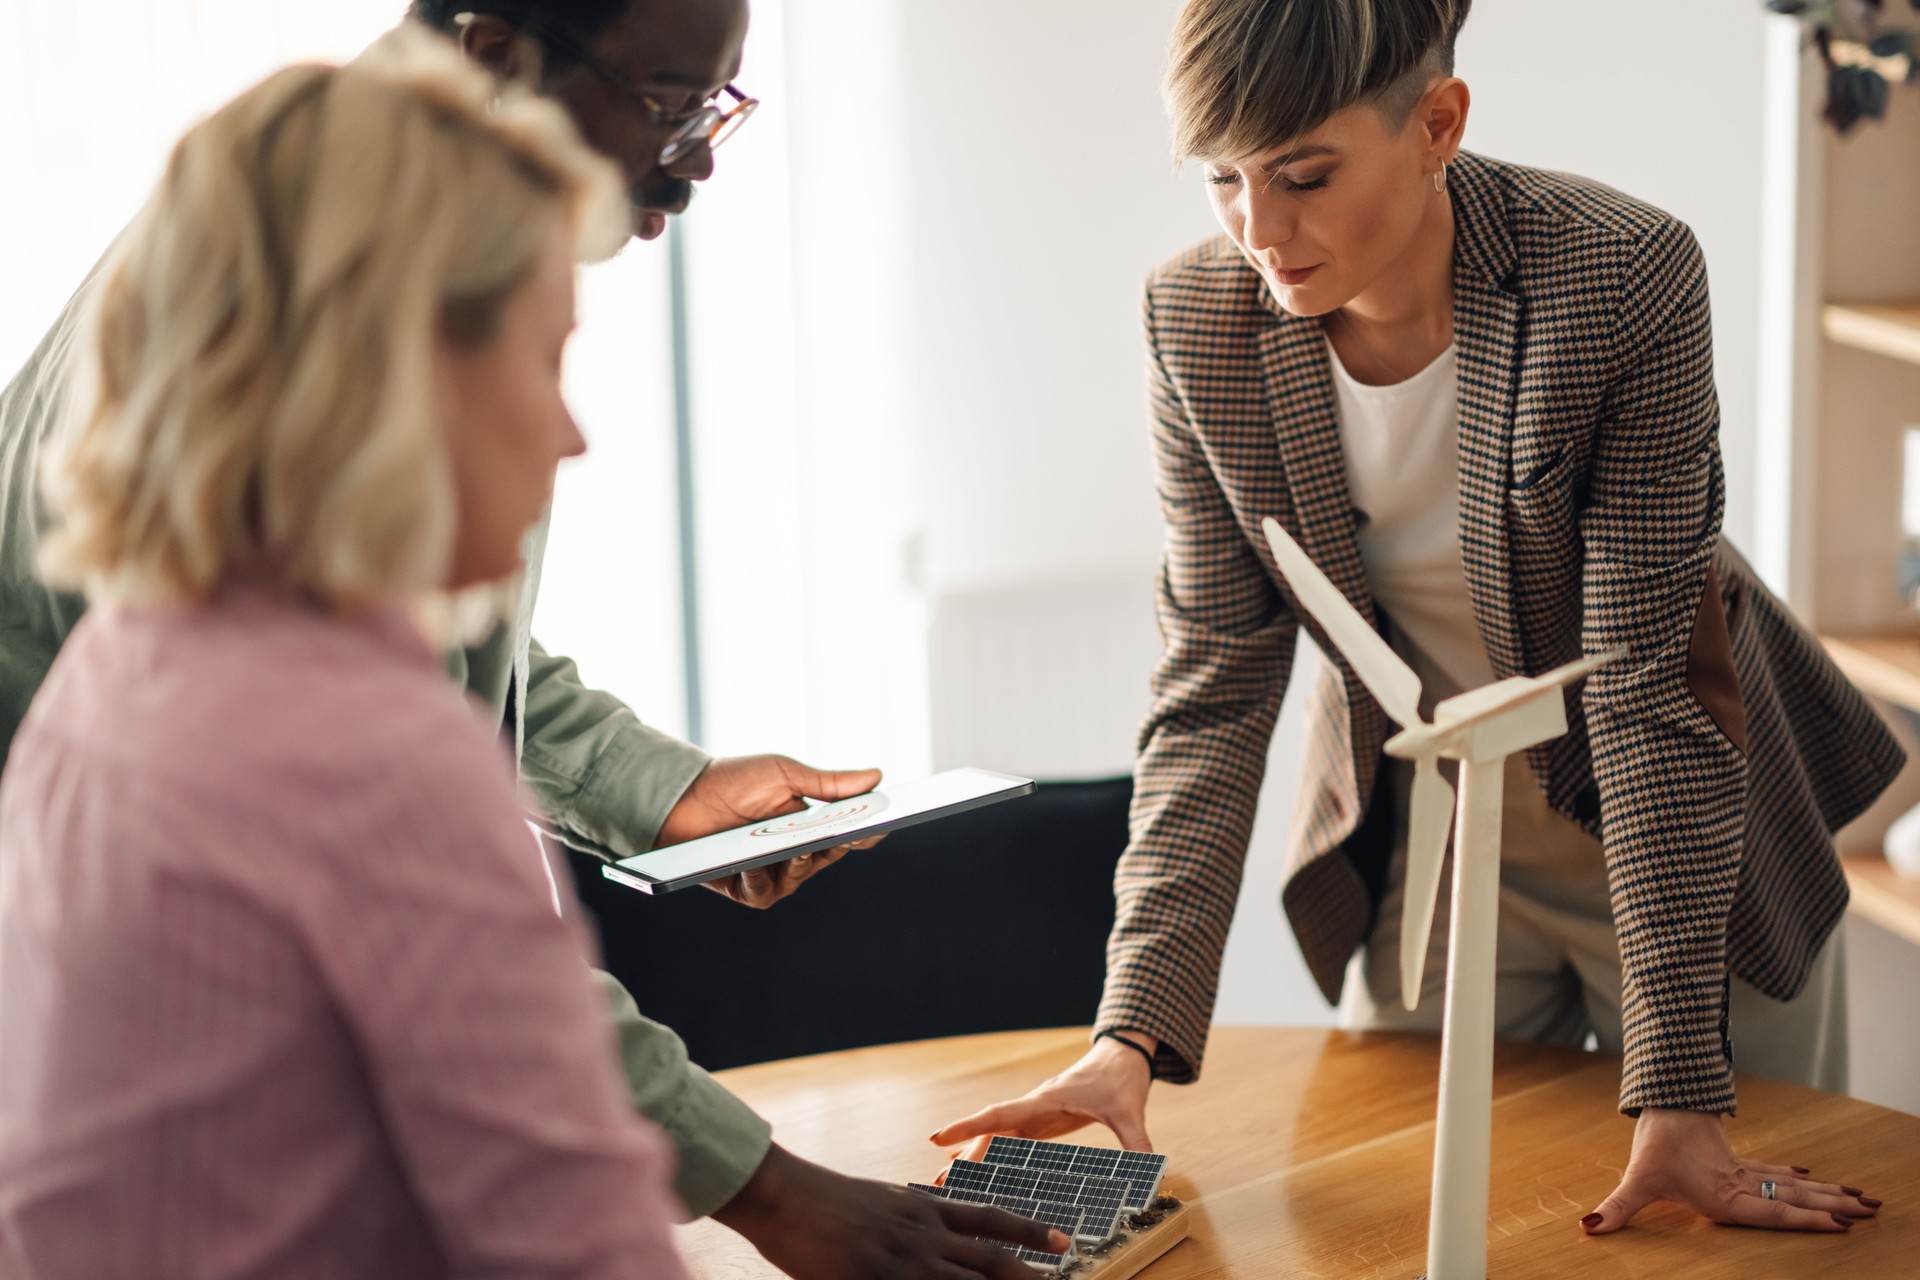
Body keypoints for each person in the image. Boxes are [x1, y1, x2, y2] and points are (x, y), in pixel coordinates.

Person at [0, 4, 1061, 1277]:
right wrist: (777, 1194)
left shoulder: (171, 639)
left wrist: (655, 787)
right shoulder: (355, 740)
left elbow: (395, 636)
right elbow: (549, 1161)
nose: (572, 439)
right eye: (671, 100)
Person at [935, 0, 1902, 1240]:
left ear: (1438, 122)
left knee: (1724, 1231)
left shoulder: (1619, 272)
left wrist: (1676, 1077)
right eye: (1224, 177)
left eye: (1303, 175)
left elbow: (1649, 683)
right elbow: (1215, 688)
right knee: (1398, 1218)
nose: (1259, 230)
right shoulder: (1199, 319)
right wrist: (1128, 1034)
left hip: (1681, 822)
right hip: (1438, 837)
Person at [0, 33, 692, 1276]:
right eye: (545, 360)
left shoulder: (115, 679)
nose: (572, 437)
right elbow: (589, 1246)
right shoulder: (371, 755)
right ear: (400, 378)